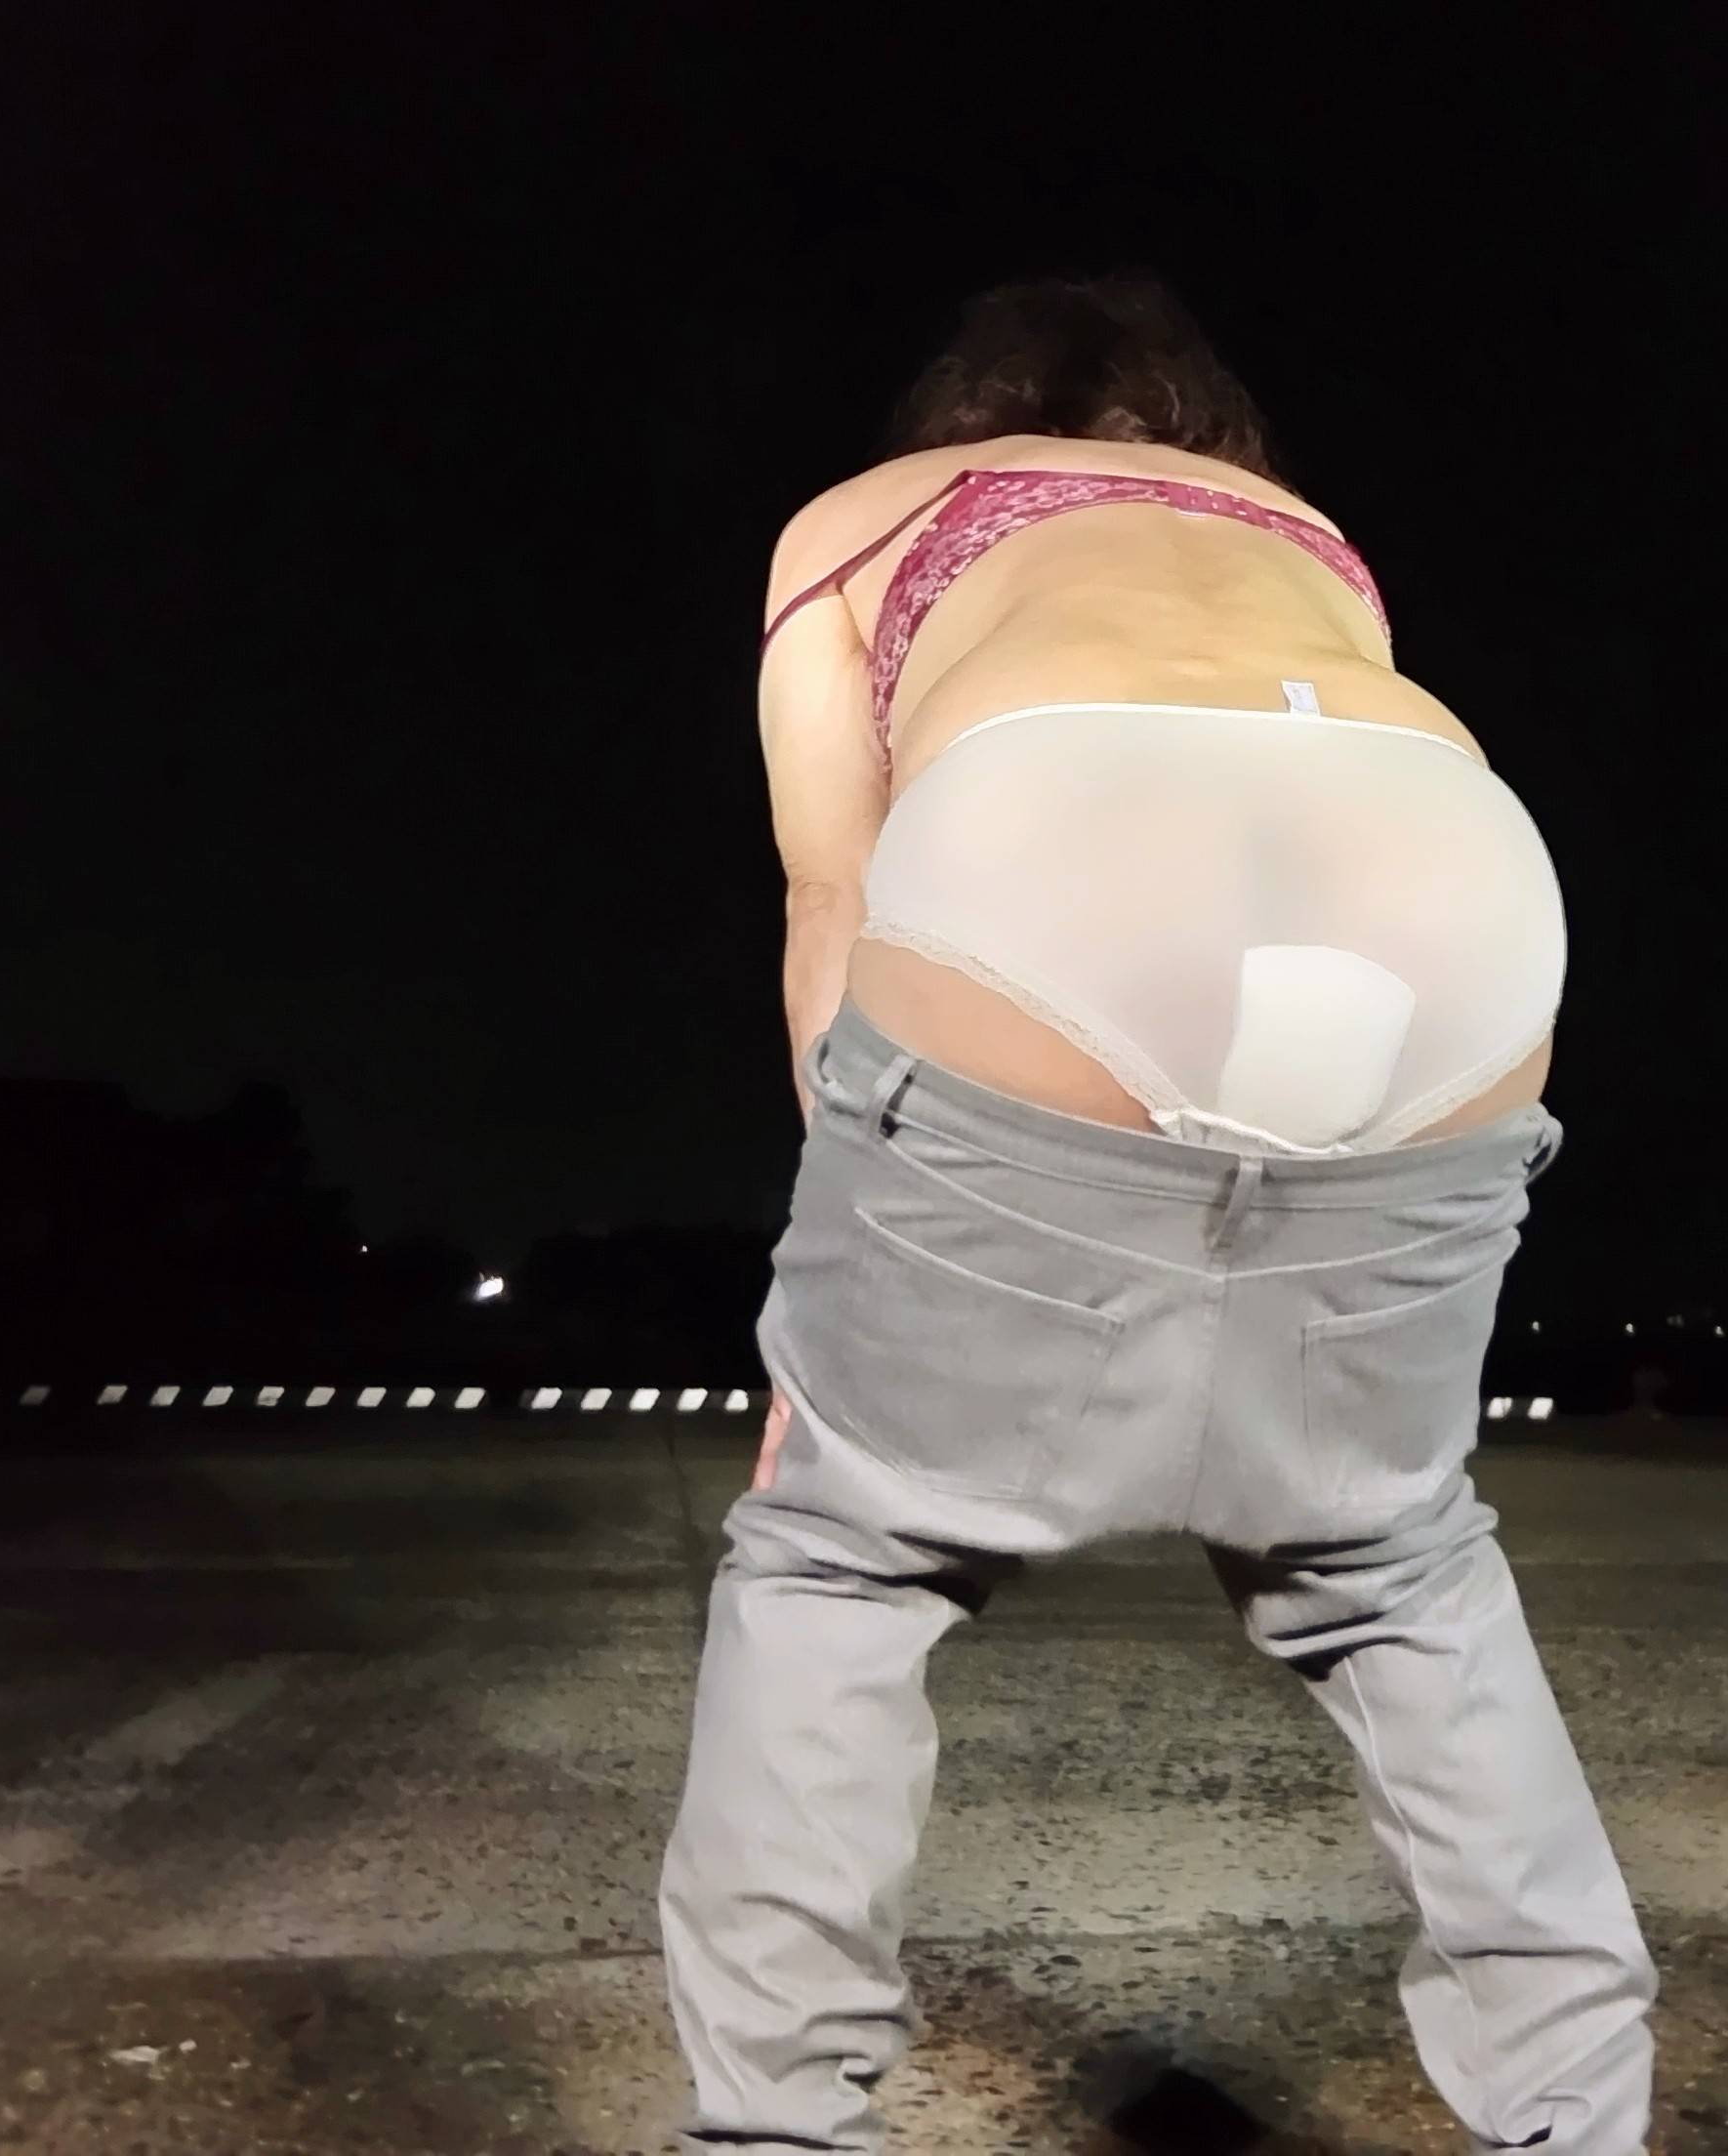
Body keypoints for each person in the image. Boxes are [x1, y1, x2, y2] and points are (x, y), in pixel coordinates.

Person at [659, 270, 1657, 2153]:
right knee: (1396, 1564)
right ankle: (1579, 2121)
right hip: (1452, 880)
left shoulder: (856, 522)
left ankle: (779, 2129)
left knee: (839, 1564)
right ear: (1199, 426)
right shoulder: (1302, 532)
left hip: (1060, 837)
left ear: (971, 410)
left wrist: (840, 1284)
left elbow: (832, 903)